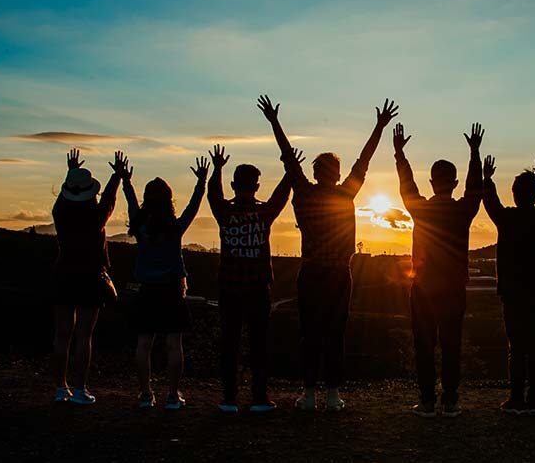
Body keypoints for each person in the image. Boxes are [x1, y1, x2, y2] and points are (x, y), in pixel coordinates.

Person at [257, 94, 399, 411]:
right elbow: (364, 160)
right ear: (336, 173)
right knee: (335, 334)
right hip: (338, 274)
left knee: (310, 333)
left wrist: (275, 122)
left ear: (315, 172)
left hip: (311, 272)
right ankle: (333, 395)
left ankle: (309, 394)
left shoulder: (304, 192)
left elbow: (288, 158)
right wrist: (379, 126)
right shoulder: (345, 194)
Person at [393, 122, 483, 418]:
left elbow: (407, 186)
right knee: (451, 344)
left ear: (431, 183)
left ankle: (428, 401)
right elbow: (475, 189)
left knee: (424, 345)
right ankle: (451, 401)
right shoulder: (463, 210)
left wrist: (400, 155)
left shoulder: (421, 209)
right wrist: (474, 153)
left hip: (423, 287)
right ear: (454, 183)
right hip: (454, 288)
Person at [206, 144, 303, 414]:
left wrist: (216, 169)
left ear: (233, 185)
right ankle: (259, 397)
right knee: (259, 344)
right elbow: (280, 197)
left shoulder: (225, 213)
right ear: (257, 186)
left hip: (229, 288)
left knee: (230, 343)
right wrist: (289, 171)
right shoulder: (263, 213)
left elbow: (213, 195)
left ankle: (228, 398)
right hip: (258, 289)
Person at [121, 156, 209, 410]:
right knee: (173, 345)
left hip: (147, 290)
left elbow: (131, 203)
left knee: (144, 344)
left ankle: (145, 394)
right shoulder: (175, 227)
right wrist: (201, 182)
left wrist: (126, 181)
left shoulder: (140, 226)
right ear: (169, 200)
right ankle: (172, 395)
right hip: (172, 291)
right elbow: (193, 207)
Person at [482, 155, 535, 416]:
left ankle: (516, 398)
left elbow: (490, 203)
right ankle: (534, 400)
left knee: (516, 347)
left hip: (513, 292)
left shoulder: (507, 218)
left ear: (515, 194)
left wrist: (487, 179)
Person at [51, 149, 127, 405]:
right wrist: (117, 176)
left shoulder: (60, 212)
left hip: (64, 273)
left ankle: (60, 387)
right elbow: (109, 200)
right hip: (90, 277)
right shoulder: (96, 217)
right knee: (84, 336)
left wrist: (71, 172)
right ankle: (80, 388)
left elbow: (67, 197)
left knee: (62, 335)